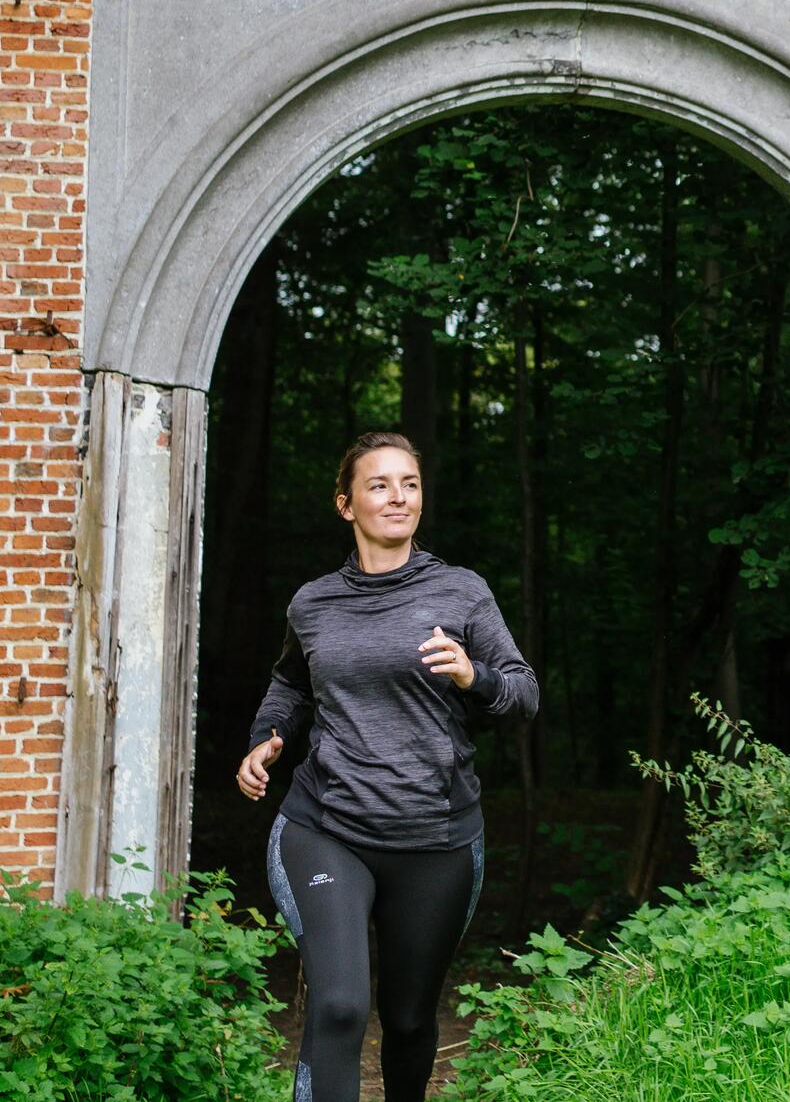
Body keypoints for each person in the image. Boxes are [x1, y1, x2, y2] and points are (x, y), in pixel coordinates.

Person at [236, 430, 538, 1102]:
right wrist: (267, 735)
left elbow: (523, 692)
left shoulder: (461, 592)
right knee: (341, 1005)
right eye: (379, 484)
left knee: (407, 1017)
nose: (398, 496)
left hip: (436, 837)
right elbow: (290, 684)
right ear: (346, 503)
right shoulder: (314, 603)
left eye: (410, 483)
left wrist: (473, 673)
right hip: (328, 824)